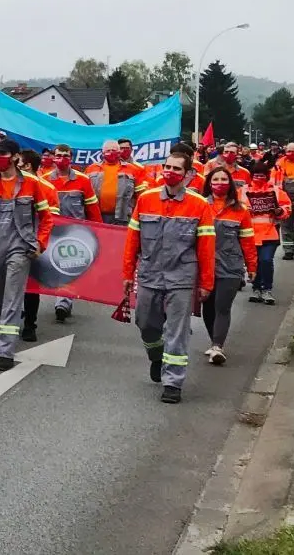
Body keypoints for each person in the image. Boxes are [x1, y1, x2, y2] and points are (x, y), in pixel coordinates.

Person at [122, 150, 216, 404]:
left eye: (176, 169)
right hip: (150, 273)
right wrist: (127, 273)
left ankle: (173, 382)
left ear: (187, 175)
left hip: (182, 277)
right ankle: (156, 355)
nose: (170, 172)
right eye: (167, 167)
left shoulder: (199, 205)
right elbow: (132, 240)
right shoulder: (146, 200)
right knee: (146, 323)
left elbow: (206, 246)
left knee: (177, 330)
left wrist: (206, 283)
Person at [0, 139, 54, 371]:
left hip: (21, 246)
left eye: (3, 153)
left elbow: (47, 217)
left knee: (12, 295)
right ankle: (3, 321)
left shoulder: (32, 184)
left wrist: (40, 244)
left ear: (15, 157)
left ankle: (5, 352)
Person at [202, 167, 257, 367]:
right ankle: (213, 340)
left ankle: (218, 346)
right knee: (207, 307)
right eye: (215, 179)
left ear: (230, 183)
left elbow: (248, 241)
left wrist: (252, 265)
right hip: (204, 266)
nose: (219, 182)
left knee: (222, 307)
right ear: (208, 183)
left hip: (231, 267)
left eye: (224, 179)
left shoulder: (240, 210)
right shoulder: (199, 206)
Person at [43, 143, 102, 322]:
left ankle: (63, 301)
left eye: (66, 156)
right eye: (58, 155)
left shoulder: (83, 180)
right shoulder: (44, 179)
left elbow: (92, 207)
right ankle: (59, 299)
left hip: (76, 233)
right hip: (53, 232)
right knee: (54, 267)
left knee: (68, 266)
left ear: (72, 158)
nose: (62, 159)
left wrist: (100, 231)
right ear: (53, 158)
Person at [16, 150, 60, 343]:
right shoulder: (10, 183)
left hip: (35, 244)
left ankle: (29, 325)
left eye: (18, 163)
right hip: (13, 241)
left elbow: (52, 220)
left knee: (31, 287)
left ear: (27, 166)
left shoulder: (47, 188)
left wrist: (40, 243)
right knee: (10, 284)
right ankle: (13, 315)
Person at [244, 164, 290, 305]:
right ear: (252, 176)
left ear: (267, 176)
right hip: (249, 235)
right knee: (254, 263)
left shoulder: (276, 191)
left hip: (269, 233)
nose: (259, 177)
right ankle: (256, 288)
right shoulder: (242, 191)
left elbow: (287, 208)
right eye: (256, 175)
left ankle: (267, 289)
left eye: (262, 175)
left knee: (266, 261)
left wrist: (279, 211)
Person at [88, 139, 147, 225]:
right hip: (97, 216)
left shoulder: (133, 170)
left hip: (123, 217)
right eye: (108, 150)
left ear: (119, 152)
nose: (111, 152)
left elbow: (141, 195)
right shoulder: (91, 169)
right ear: (102, 153)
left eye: (114, 150)